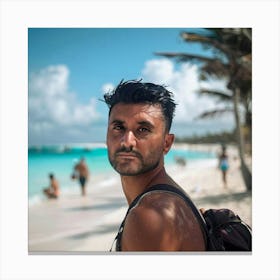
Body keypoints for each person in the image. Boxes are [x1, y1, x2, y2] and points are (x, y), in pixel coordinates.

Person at [104, 80, 205, 251]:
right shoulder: (166, 196)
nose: (127, 141)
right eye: (118, 127)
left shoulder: (149, 215)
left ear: (167, 143)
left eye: (143, 129)